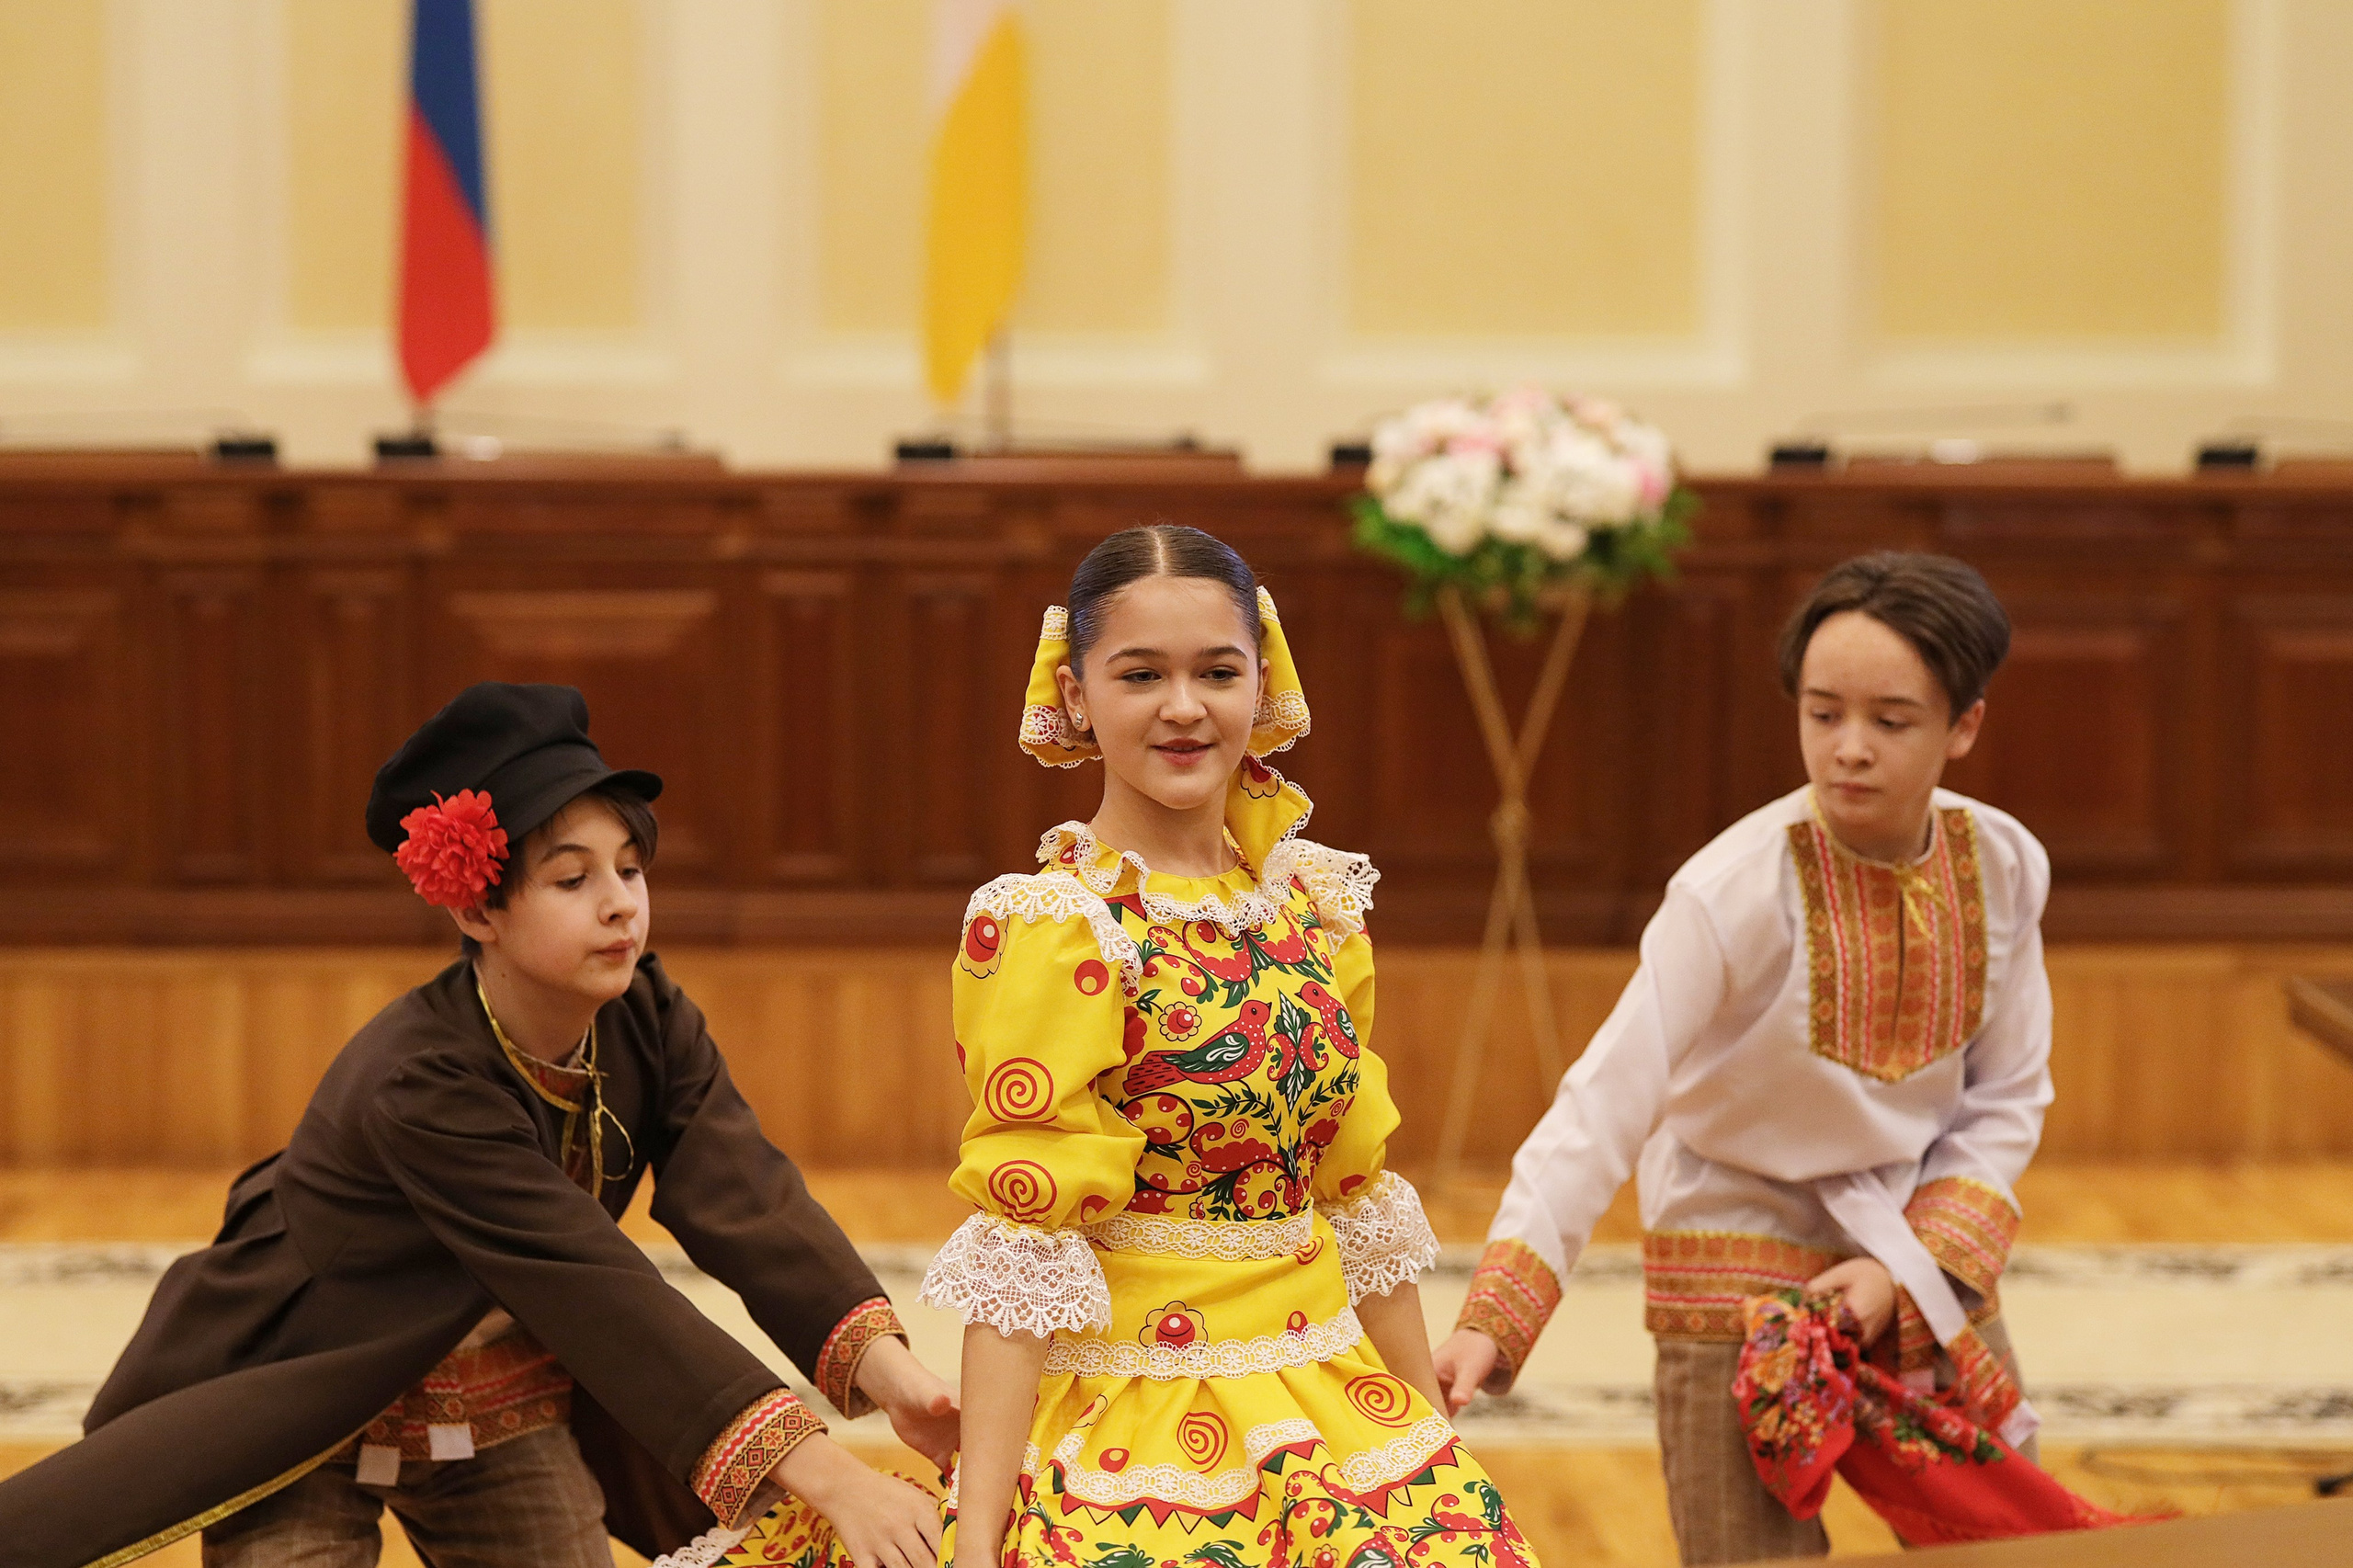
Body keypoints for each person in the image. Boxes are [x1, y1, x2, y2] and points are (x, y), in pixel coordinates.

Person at [0, 683, 954, 1568]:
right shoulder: (419, 1079)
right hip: (306, 1397)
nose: (622, 901)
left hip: (498, 1401)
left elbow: (747, 1196)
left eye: (629, 866)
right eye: (573, 879)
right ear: (474, 905)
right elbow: (592, 1277)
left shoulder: (649, 1017)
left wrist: (899, 1377)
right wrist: (827, 1473)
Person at [918, 524, 1534, 1568]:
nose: (1184, 706)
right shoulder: (1055, 923)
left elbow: (1355, 1198)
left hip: (1333, 1394)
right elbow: (1023, 1239)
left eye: (1216, 670)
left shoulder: (1312, 906)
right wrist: (975, 1542)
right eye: (1140, 673)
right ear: (1075, 694)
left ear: (1263, 678)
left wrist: (1436, 1448)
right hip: (1127, 1414)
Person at [1429, 551, 2052, 1565]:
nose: (1848, 749)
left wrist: (1905, 1269)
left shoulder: (2004, 862)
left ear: (1963, 725)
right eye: (1821, 713)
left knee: (2008, 1542)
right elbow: (1602, 1106)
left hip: (1909, 1238)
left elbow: (2009, 1094)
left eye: (1890, 721)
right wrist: (1494, 1316)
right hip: (1735, 1244)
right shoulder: (1730, 890)